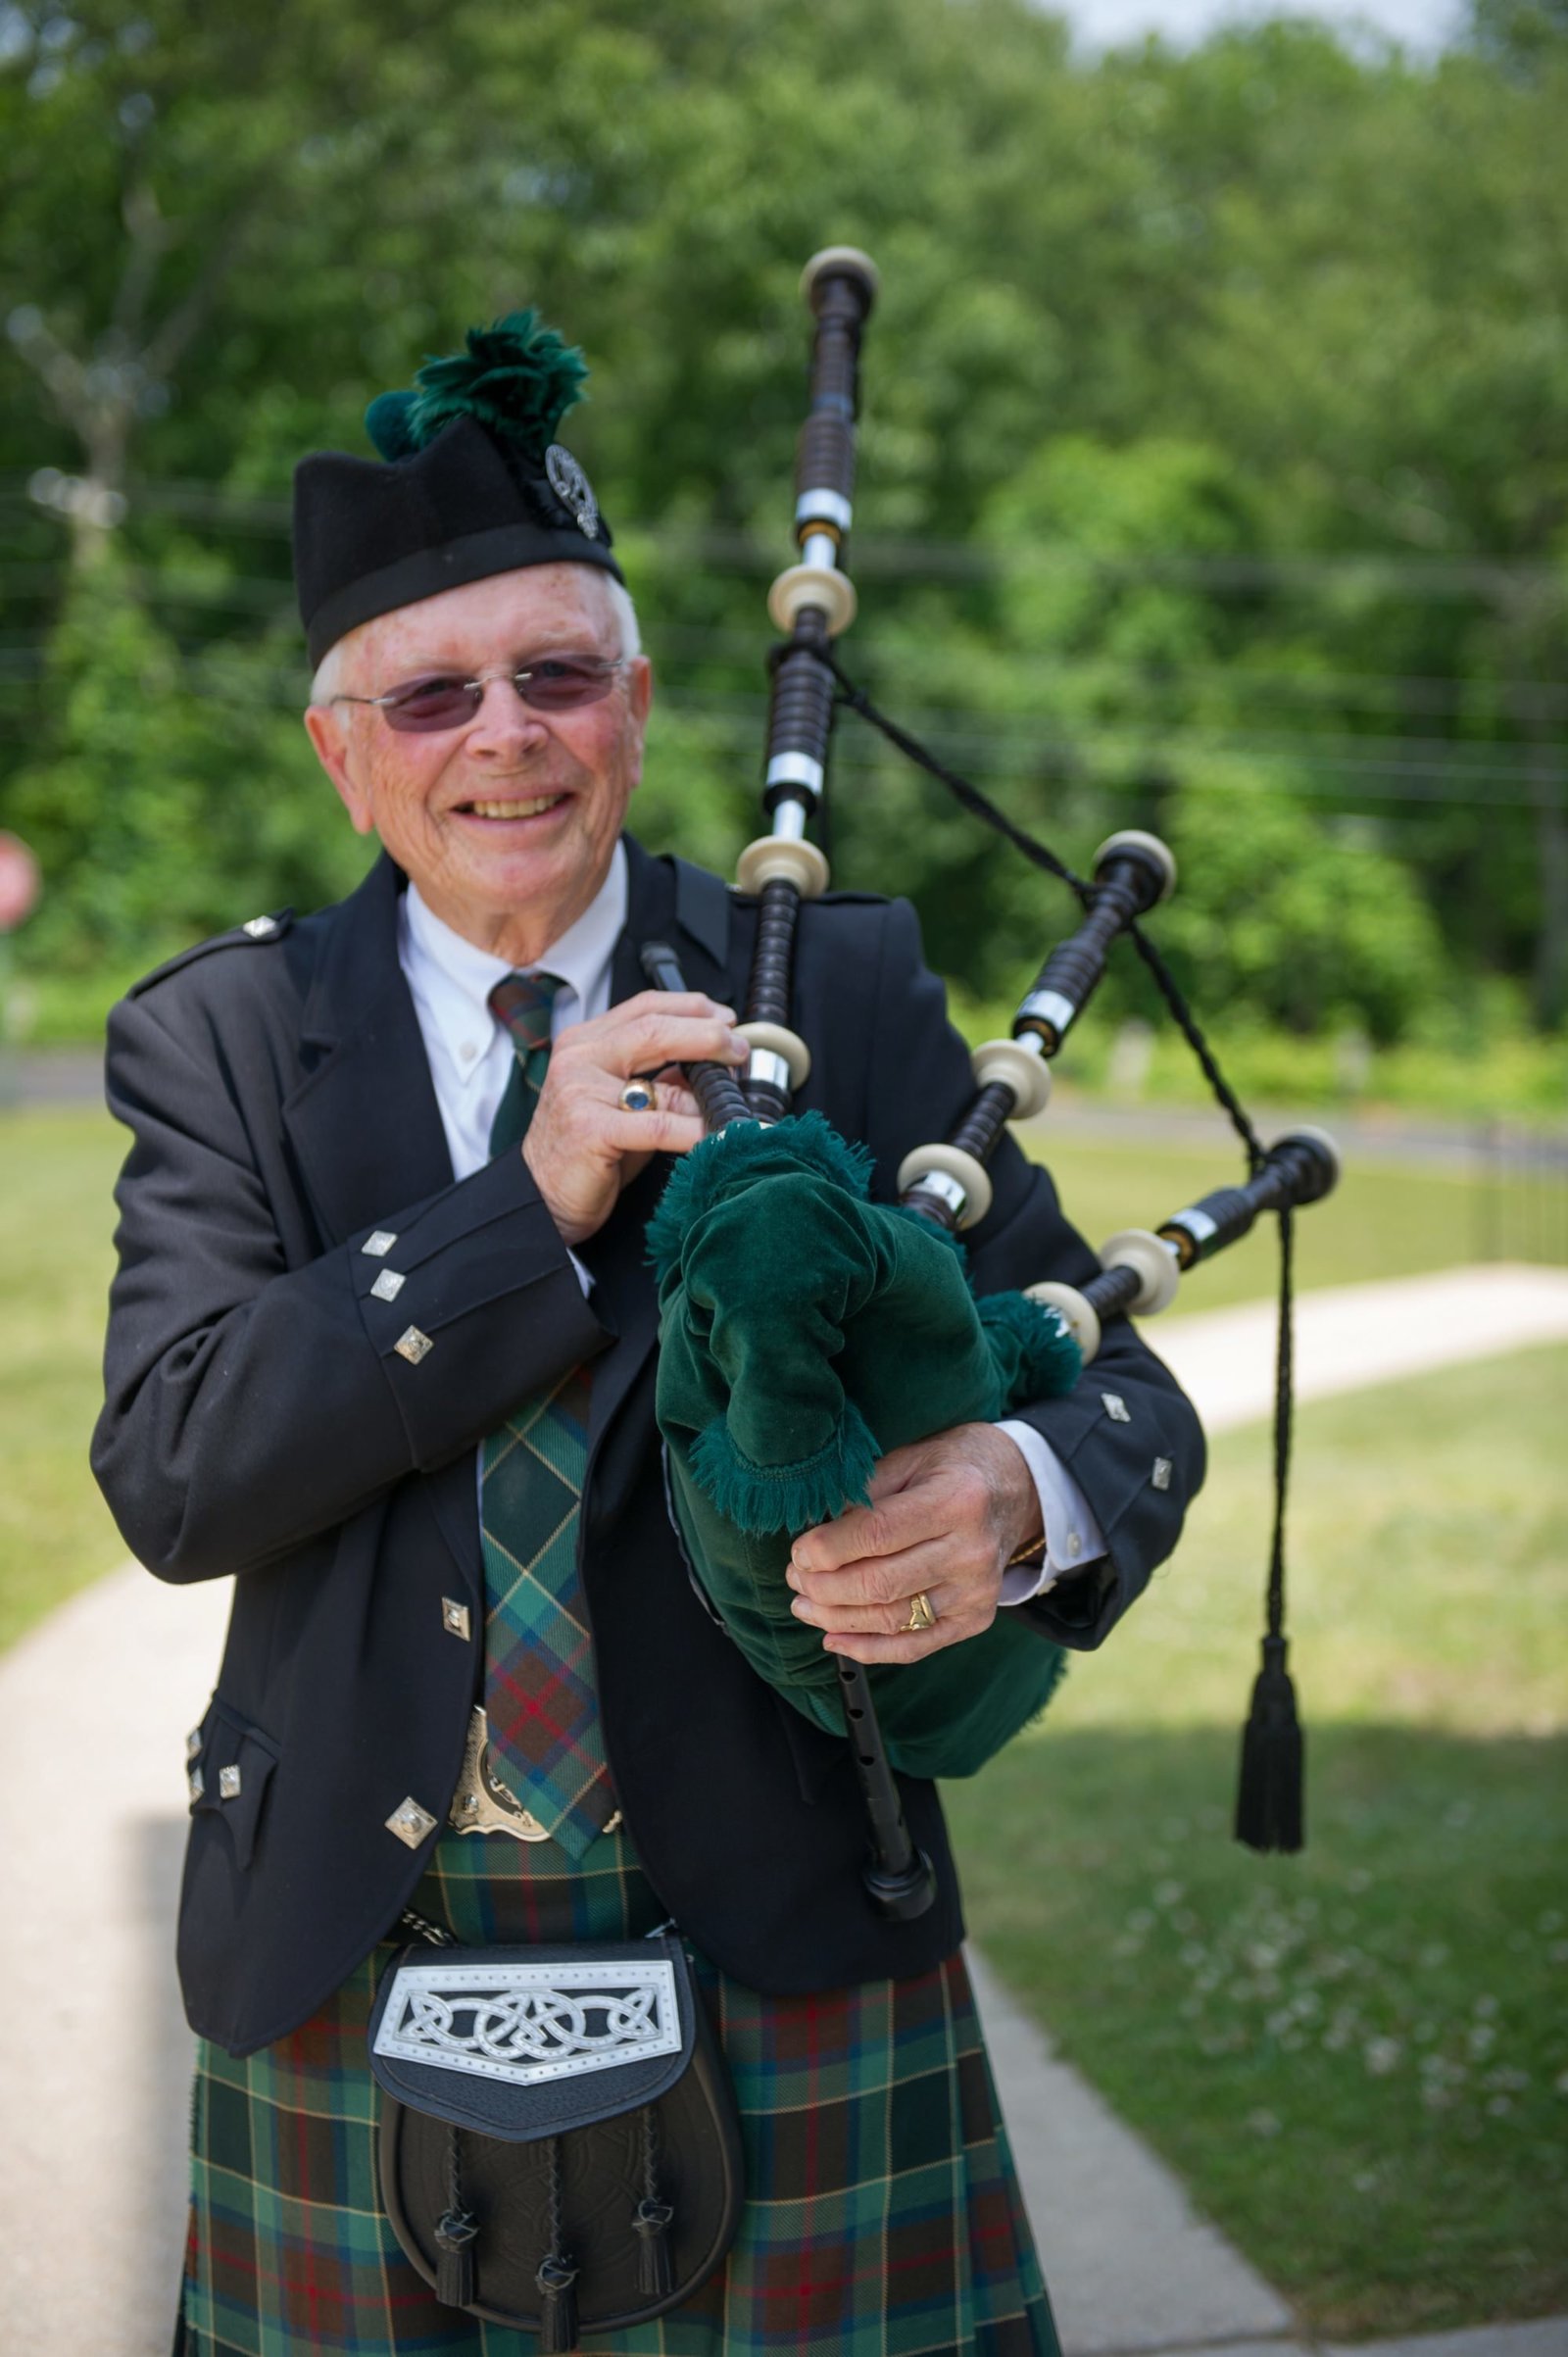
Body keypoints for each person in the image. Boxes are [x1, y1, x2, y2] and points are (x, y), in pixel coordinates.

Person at [93, 314, 1204, 2357]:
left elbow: (1111, 1380)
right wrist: (517, 1207)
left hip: (776, 1921)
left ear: (639, 702)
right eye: (431, 690)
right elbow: (175, 1469)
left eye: (556, 672)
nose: (500, 732)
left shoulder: (836, 985)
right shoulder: (226, 1038)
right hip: (354, 1927)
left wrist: (1020, 1488)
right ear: (342, 750)